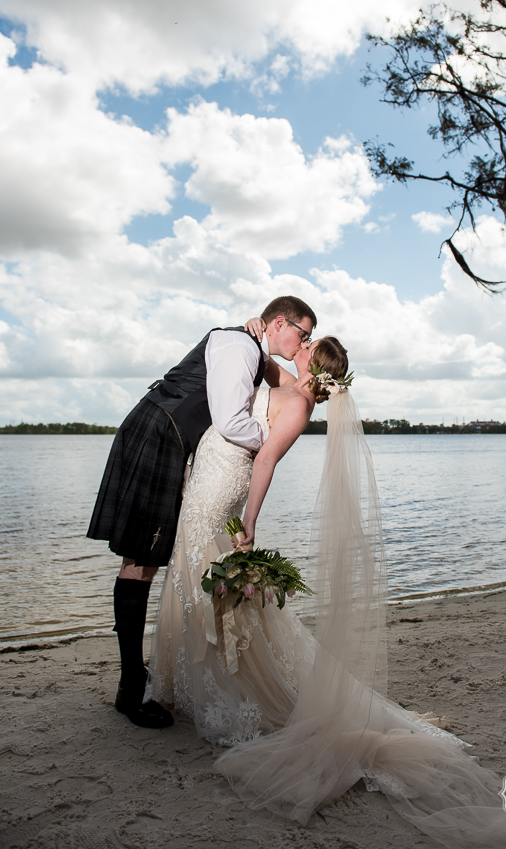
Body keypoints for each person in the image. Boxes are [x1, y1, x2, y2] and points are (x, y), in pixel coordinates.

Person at [147, 332, 506, 849]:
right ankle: (188, 673)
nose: (300, 342)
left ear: (310, 363)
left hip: (228, 495)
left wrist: (250, 522)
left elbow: (266, 461)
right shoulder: (282, 380)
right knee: (198, 584)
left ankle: (223, 686)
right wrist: (261, 334)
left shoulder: (297, 407)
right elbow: (259, 358)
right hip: (208, 478)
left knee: (216, 591)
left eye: (305, 343)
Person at [86, 296, 316, 729]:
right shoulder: (239, 346)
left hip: (170, 438)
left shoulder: (249, 345)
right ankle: (131, 690)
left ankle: (133, 681)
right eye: (302, 333)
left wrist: (287, 350)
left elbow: (290, 380)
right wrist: (269, 443)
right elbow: (231, 423)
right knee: (141, 562)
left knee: (145, 561)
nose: (303, 341)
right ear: (281, 321)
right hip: (160, 434)